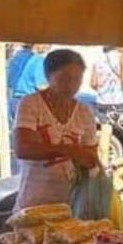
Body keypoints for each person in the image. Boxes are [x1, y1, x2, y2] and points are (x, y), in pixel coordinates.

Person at [13, 49, 99, 210]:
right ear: (48, 76)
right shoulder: (30, 104)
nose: (71, 85)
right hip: (34, 202)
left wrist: (90, 164)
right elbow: (22, 148)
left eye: (77, 79)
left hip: (72, 205)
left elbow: (91, 156)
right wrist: (68, 150)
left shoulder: (84, 112)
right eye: (64, 78)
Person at [90, 46, 123, 114]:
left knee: (104, 124)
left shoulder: (98, 59)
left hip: (102, 104)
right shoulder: (122, 56)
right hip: (121, 103)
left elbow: (93, 83)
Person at [10, 44, 50, 118]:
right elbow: (41, 86)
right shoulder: (38, 60)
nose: (49, 46)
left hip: (15, 103)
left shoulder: (15, 58)